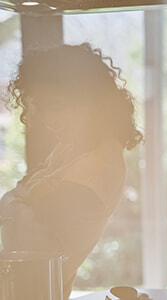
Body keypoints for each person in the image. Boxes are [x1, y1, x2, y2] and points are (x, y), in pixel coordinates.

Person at [0, 43, 143, 299]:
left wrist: (14, 200)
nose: (49, 119)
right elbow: (16, 203)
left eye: (58, 106)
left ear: (90, 100)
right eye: (42, 107)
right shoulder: (71, 149)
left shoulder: (99, 166)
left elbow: (18, 228)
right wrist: (18, 200)